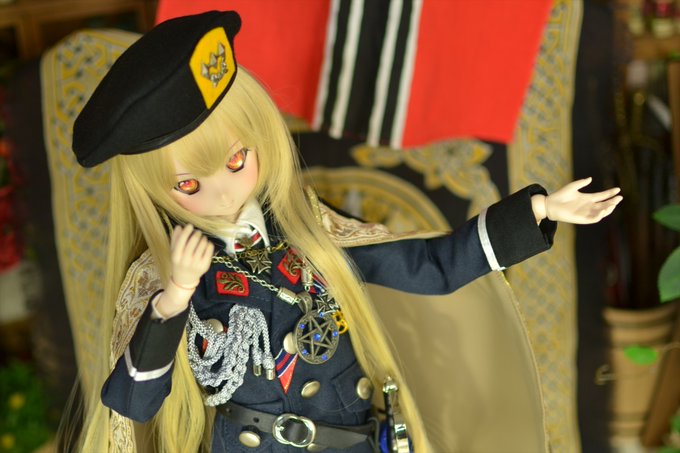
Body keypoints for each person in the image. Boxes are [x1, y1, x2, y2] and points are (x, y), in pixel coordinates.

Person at [70, 10, 622, 453]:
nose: (222, 194)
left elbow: (430, 267)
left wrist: (537, 210)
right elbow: (135, 404)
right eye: (189, 186)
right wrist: (173, 301)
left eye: (238, 161)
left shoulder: (313, 236)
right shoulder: (169, 278)